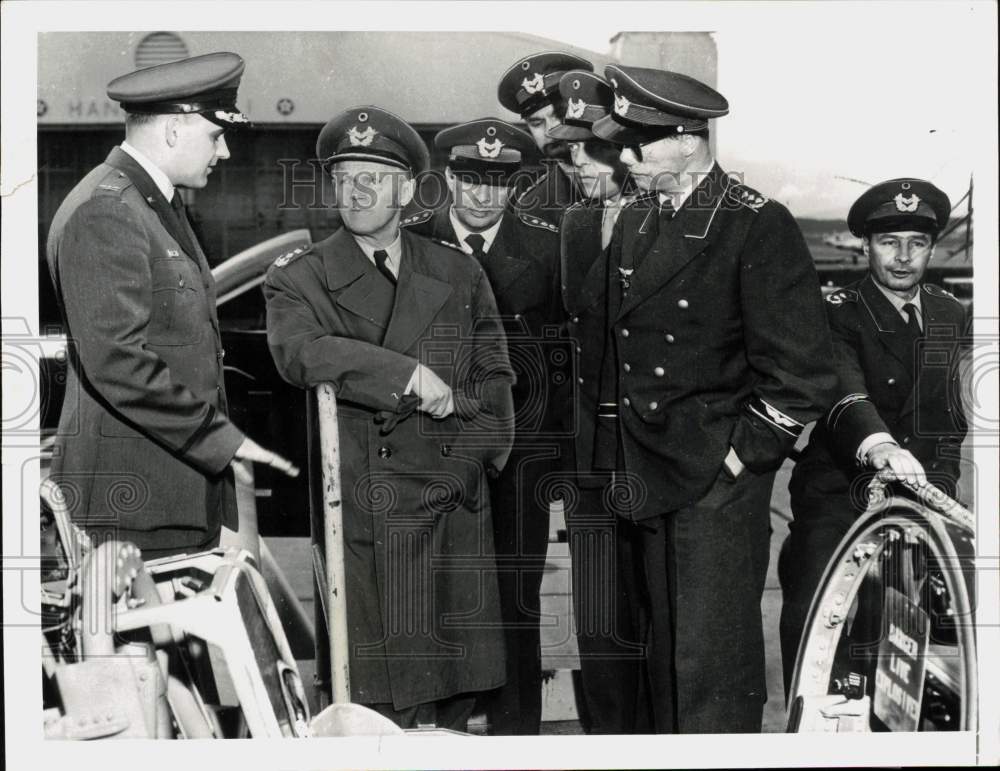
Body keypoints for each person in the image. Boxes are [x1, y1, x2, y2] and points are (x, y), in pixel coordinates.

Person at [562, 64, 837, 733]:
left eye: (638, 144)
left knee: (708, 676)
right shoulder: (640, 220)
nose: (623, 158)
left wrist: (738, 463)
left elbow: (802, 374)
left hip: (714, 487)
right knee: (663, 669)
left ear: (688, 139)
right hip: (645, 475)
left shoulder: (755, 224)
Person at [263, 106, 515, 731]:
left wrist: (468, 469)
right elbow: (302, 352)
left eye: (374, 176)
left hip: (450, 508)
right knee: (372, 707)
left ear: (407, 189)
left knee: (452, 706)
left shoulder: (457, 270)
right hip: (363, 515)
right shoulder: (302, 276)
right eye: (345, 176)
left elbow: (495, 382)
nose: (356, 189)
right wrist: (403, 375)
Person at [46, 52, 297, 559]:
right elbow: (118, 362)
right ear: (176, 128)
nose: (223, 152)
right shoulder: (107, 211)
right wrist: (224, 441)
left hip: (164, 499)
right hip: (129, 509)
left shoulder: (150, 204)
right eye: (216, 135)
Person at [402, 118, 564, 735]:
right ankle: (437, 732)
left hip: (519, 457)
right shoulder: (411, 241)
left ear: (517, 184)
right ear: (446, 178)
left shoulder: (552, 247)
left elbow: (566, 357)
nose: (482, 195)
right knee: (439, 590)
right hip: (433, 450)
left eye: (498, 181)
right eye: (469, 178)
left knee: (515, 598)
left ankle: (515, 732)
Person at [779, 178, 968, 693]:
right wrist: (881, 446)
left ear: (933, 246)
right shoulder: (837, 311)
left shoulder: (950, 313)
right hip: (840, 490)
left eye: (918, 243)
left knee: (899, 640)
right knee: (820, 613)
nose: (903, 257)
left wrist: (942, 491)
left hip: (919, 496)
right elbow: (844, 394)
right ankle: (809, 724)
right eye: (889, 242)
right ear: (866, 245)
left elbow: (946, 421)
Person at [549, 68, 649, 734]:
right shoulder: (577, 223)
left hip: (656, 455)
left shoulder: (674, 219)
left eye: (590, 147)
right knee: (600, 624)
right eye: (566, 149)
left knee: (661, 618)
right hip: (590, 459)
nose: (575, 161)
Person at [497, 51, 593, 228]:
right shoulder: (530, 207)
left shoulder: (636, 174)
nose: (550, 131)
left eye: (558, 115)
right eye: (536, 122)